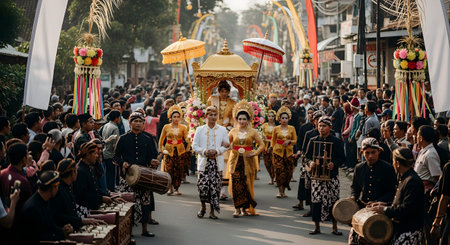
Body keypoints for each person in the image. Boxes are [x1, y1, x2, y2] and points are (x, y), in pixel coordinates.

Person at [114, 111, 160, 237]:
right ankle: (128, 230)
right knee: (129, 203)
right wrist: (123, 162)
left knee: (145, 202)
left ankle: (145, 229)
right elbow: (116, 156)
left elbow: (153, 155)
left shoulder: (149, 138)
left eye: (140, 121)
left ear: (144, 124)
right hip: (128, 176)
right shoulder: (123, 138)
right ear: (130, 123)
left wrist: (153, 161)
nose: (138, 123)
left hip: (144, 175)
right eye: (135, 121)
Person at [348, 138, 397, 243]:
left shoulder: (388, 168)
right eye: (367, 153)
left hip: (380, 211)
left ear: (379, 151)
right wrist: (353, 197)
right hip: (362, 209)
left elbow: (392, 191)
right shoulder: (359, 168)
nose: (370, 156)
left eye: (373, 152)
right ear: (362, 152)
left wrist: (379, 202)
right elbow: (355, 187)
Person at [372, 147, 424, 244]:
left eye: (393, 161)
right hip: (400, 228)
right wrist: (384, 204)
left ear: (397, 163)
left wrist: (384, 209)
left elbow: (407, 208)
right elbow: (400, 201)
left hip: (409, 229)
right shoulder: (404, 178)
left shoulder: (412, 181)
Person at [304, 116, 344, 235]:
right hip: (317, 177)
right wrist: (310, 162)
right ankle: (317, 227)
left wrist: (334, 164)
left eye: (324, 126)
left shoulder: (336, 142)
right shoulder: (313, 140)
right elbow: (306, 157)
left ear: (330, 127)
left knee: (333, 201)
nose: (321, 128)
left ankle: (334, 227)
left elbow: (342, 158)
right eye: (319, 126)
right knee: (316, 201)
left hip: (332, 176)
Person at [228, 100, 265, 217]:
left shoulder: (253, 132)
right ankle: (237, 209)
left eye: (244, 119)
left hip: (248, 161)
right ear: (236, 119)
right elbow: (226, 143)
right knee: (236, 183)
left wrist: (255, 153)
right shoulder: (233, 131)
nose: (242, 121)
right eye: (240, 119)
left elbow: (262, 145)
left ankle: (245, 208)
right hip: (235, 161)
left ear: (249, 120)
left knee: (246, 184)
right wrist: (228, 147)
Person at [192, 106, 230, 219]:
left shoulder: (222, 130)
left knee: (215, 187)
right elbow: (194, 146)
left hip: (216, 163)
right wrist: (204, 151)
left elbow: (227, 144)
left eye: (215, 115)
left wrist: (217, 151)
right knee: (203, 186)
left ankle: (212, 211)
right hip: (204, 162)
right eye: (210, 115)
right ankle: (202, 207)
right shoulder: (200, 129)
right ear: (206, 116)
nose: (213, 117)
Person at [20, 171, 74, 244]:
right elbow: (39, 237)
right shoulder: (32, 208)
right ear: (51, 188)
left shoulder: (45, 201)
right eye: (57, 186)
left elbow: (50, 226)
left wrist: (63, 230)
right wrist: (62, 234)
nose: (58, 189)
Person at [51, 159, 105, 231]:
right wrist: (82, 221)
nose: (77, 173)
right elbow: (59, 216)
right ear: (72, 172)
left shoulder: (68, 187)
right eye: (76, 171)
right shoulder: (59, 190)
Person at [158, 105, 191, 195]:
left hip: (180, 151)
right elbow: (161, 139)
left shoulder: (183, 127)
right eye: (174, 117)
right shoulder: (166, 127)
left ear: (180, 117)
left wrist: (189, 142)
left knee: (179, 169)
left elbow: (186, 138)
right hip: (169, 151)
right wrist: (160, 149)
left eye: (178, 117)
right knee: (169, 169)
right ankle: (170, 188)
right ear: (170, 117)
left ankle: (177, 188)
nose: (176, 119)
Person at [73, 142, 113, 213]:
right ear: (88, 155)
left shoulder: (89, 167)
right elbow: (83, 195)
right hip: (86, 210)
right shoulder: (80, 171)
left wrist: (109, 195)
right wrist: (101, 199)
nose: (97, 156)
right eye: (95, 153)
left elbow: (95, 188)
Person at [271, 106, 297, 198]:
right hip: (277, 153)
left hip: (289, 153)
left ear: (288, 119)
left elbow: (295, 140)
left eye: (286, 118)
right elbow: (273, 141)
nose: (284, 120)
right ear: (279, 119)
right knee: (279, 171)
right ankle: (280, 191)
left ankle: (284, 191)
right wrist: (271, 149)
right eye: (283, 118)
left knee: (288, 172)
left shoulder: (292, 128)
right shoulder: (276, 129)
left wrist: (289, 141)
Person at [292, 108, 315, 211]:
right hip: (305, 158)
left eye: (313, 113)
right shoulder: (304, 128)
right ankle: (300, 202)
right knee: (302, 181)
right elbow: (299, 142)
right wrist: (299, 151)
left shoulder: (319, 130)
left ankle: (312, 206)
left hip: (315, 159)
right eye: (309, 113)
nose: (311, 115)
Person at [415, 125, 442, 191]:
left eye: (417, 135)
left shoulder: (430, 154)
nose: (416, 137)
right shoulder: (422, 150)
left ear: (421, 138)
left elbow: (438, 177)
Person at [101, 110, 121, 192]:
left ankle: (107, 188)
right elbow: (115, 144)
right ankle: (111, 190)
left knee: (106, 173)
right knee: (111, 174)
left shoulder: (106, 125)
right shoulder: (115, 128)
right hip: (111, 154)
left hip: (104, 151)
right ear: (116, 118)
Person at [261, 110, 276, 185]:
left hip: (274, 146)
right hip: (266, 145)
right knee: (267, 163)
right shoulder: (264, 125)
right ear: (267, 117)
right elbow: (261, 135)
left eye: (272, 116)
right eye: (269, 116)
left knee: (274, 162)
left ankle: (275, 176)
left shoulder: (276, 126)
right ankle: (271, 177)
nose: (271, 118)